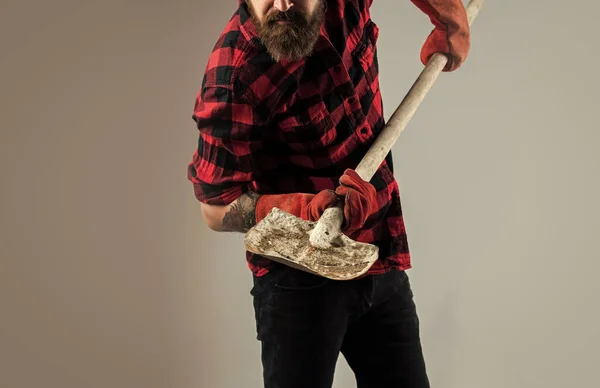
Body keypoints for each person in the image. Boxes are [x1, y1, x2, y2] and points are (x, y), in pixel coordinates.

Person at [187, 0, 470, 386]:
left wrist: (444, 10)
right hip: (297, 281)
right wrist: (304, 209)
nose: (283, 5)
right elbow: (214, 208)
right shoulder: (233, 77)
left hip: (377, 252)